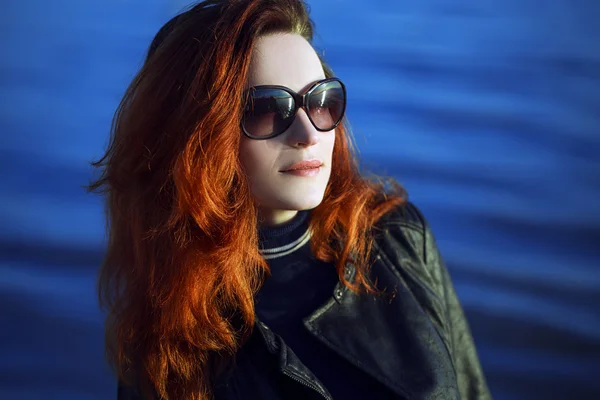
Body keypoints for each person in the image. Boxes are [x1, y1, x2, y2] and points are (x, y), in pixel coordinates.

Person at [88, 0, 492, 399]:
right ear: (200, 138)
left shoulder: (396, 236)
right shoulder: (175, 336)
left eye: (322, 101)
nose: (308, 133)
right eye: (268, 109)